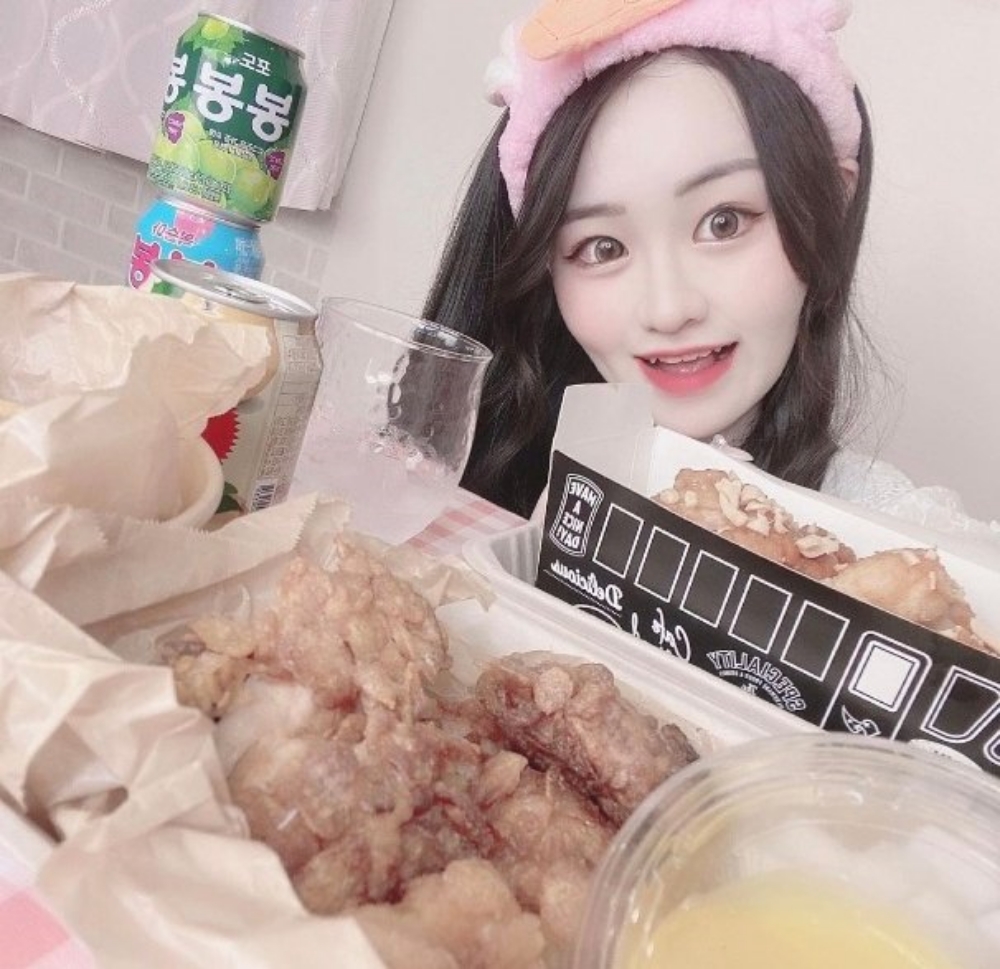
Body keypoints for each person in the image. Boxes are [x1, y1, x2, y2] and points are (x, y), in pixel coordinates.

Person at [424, 0, 999, 544]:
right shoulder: (433, 491)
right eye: (602, 248)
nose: (669, 309)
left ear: (831, 203)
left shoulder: (911, 547)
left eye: (724, 223)